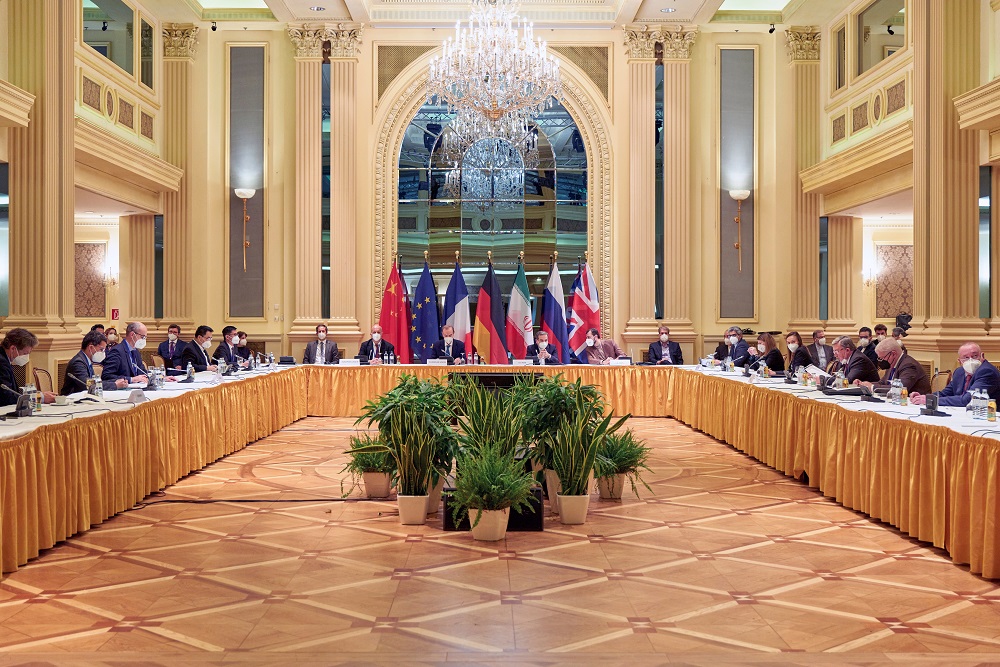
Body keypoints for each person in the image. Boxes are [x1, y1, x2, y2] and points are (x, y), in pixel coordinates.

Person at [911, 342, 1000, 407]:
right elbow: (946, 393)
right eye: (966, 357)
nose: (971, 360)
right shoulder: (959, 372)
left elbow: (968, 400)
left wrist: (931, 400)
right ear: (959, 361)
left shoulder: (987, 371)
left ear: (982, 356)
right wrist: (925, 397)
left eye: (975, 356)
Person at [854, 338, 931, 395]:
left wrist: (872, 387)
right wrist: (864, 384)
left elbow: (899, 390)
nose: (881, 361)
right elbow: (882, 383)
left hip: (915, 406)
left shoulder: (909, 365)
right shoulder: (892, 363)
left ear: (893, 354)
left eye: (883, 358)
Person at [0, 328, 56, 406]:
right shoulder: (2, 362)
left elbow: (12, 391)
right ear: (13, 348)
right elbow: (6, 397)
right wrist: (39, 397)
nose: (26, 357)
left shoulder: (5, 359)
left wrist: (37, 394)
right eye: (25, 353)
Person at [61, 331, 127, 394]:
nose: (103, 353)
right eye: (101, 349)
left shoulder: (86, 360)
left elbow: (95, 382)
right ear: (91, 347)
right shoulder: (78, 362)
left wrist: (115, 381)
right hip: (72, 401)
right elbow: (88, 385)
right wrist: (115, 385)